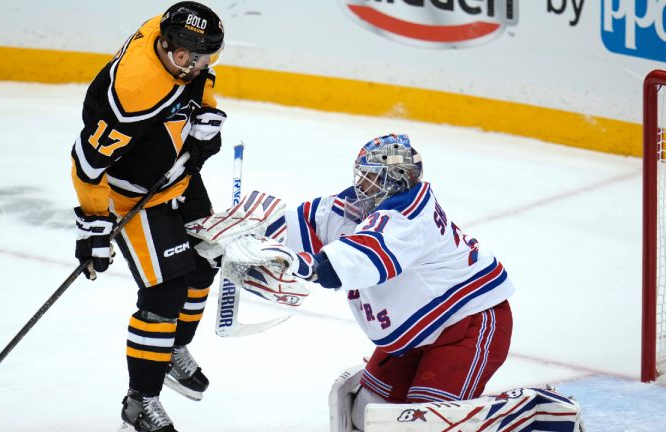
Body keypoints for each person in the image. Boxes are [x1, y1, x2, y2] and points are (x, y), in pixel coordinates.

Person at [215, 133, 515, 431]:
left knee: (424, 424)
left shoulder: (409, 218)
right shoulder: (360, 204)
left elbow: (357, 259)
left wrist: (301, 264)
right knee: (365, 412)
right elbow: (307, 221)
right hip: (416, 330)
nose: (361, 185)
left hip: (468, 324)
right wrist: (247, 234)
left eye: (370, 177)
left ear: (393, 181)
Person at [70, 2, 226, 431]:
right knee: (165, 294)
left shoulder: (173, 38)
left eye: (203, 56)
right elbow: (87, 165)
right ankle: (139, 402)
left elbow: (199, 76)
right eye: (184, 58)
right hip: (134, 193)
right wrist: (94, 224)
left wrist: (203, 118)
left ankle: (171, 349)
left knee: (206, 260)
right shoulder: (133, 94)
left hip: (175, 174)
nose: (193, 67)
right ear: (164, 45)